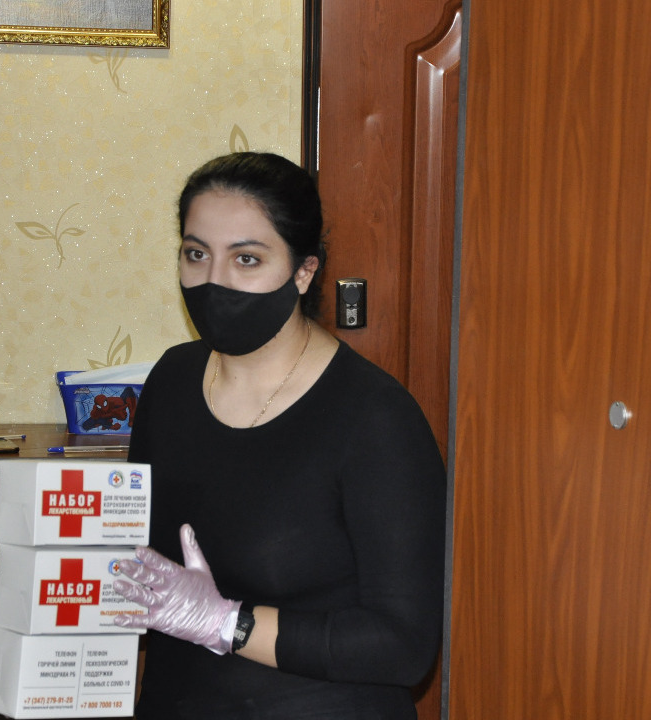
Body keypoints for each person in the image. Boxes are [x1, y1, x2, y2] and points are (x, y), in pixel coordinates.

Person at [111, 151, 447, 719]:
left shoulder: (375, 418)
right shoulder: (170, 380)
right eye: (196, 254)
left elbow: (403, 647)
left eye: (246, 259)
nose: (214, 280)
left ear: (303, 271)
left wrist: (227, 623)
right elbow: (145, 562)